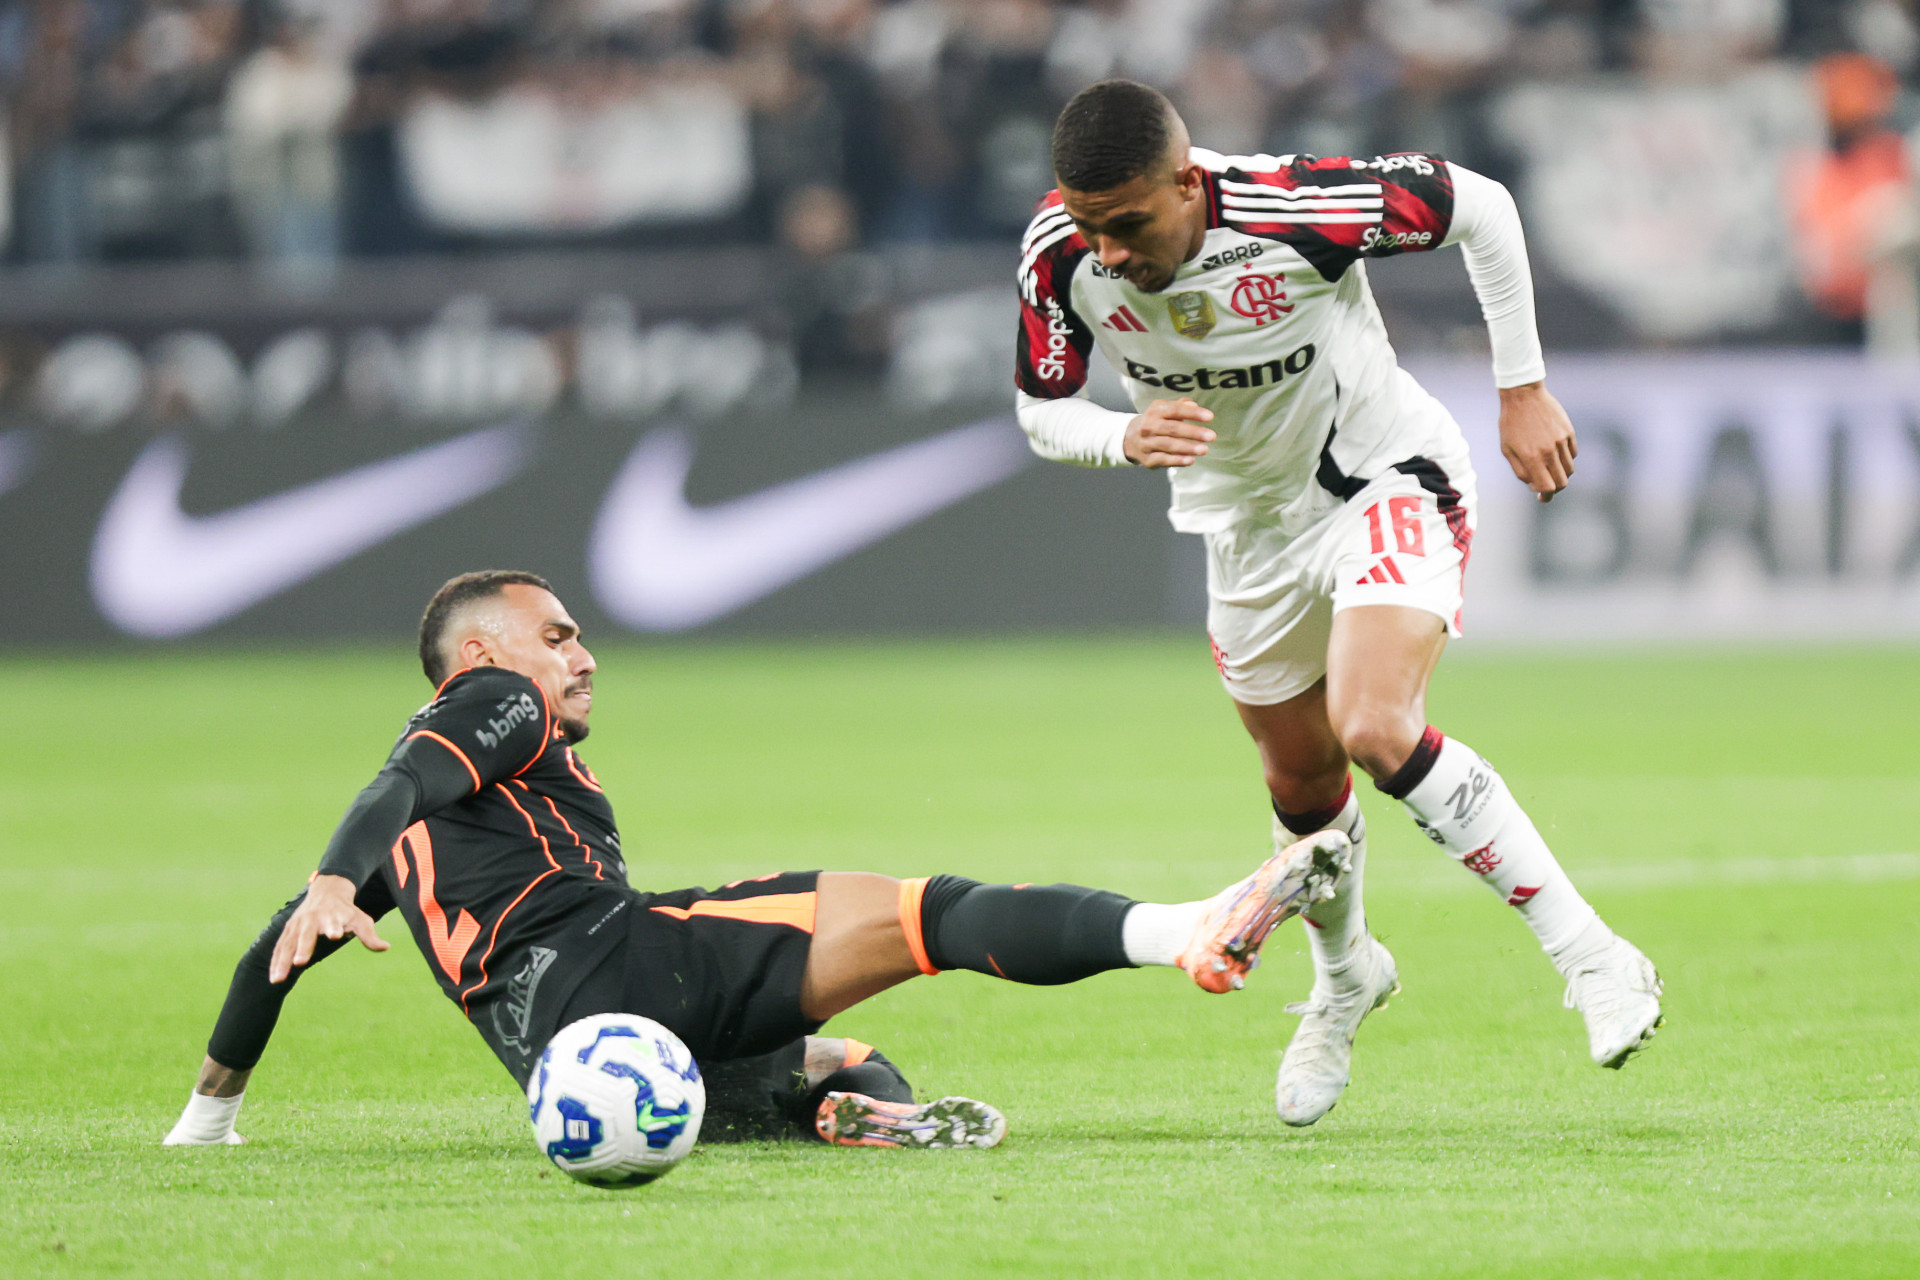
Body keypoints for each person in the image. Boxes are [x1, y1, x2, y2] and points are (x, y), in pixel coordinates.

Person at [164, 569, 1350, 1151]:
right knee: (932, 912)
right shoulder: (491, 698)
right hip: (620, 969)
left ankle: (835, 1113)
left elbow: (278, 949)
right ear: (479, 652)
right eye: (558, 634)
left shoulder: (423, 829)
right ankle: (1187, 926)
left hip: (559, 1057)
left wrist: (206, 1119)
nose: (582, 656)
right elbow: (401, 777)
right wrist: (331, 874)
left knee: (846, 1054)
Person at [1012, 80, 1663, 1128]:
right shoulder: (1058, 251)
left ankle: (1592, 952)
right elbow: (1041, 407)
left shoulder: (1292, 208)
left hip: (1380, 478)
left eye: (1128, 224)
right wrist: (1116, 436)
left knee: (1372, 724)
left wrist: (1522, 385)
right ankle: (1346, 975)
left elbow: (1480, 204)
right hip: (1244, 530)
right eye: (1090, 225)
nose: (1109, 254)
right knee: (1299, 778)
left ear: (1188, 180)